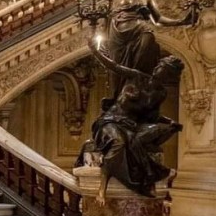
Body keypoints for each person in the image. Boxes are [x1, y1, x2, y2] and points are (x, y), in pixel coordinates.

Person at [79, 38, 184, 204]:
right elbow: (114, 67)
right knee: (119, 143)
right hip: (111, 121)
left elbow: (153, 116)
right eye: (160, 66)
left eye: (164, 69)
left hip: (132, 125)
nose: (158, 69)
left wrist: (170, 123)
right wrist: (96, 51)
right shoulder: (137, 77)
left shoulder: (160, 93)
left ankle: (149, 177)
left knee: (145, 138)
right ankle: (103, 186)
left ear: (169, 75)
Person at [106, 0, 193, 102]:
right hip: (119, 34)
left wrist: (181, 21)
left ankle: (137, 80)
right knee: (116, 70)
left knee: (149, 36)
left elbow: (158, 19)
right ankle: (116, 98)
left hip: (139, 29)